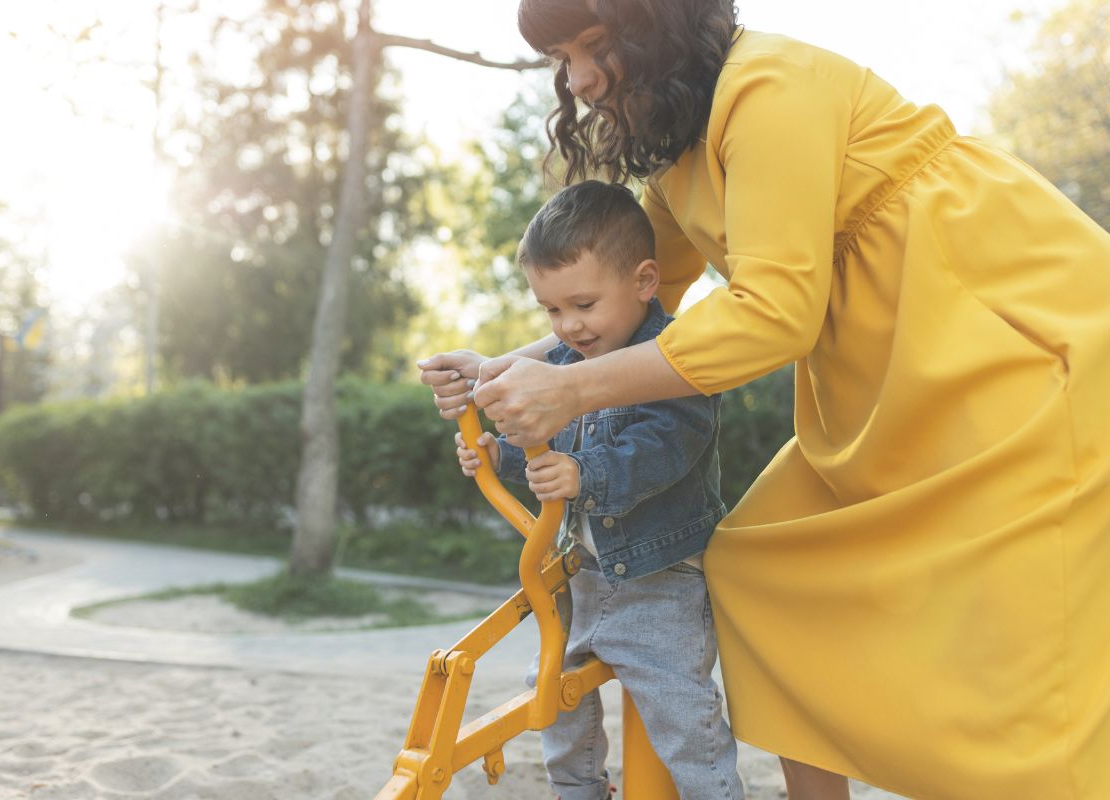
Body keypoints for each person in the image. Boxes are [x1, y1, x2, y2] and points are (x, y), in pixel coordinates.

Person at [418, 2, 1110, 799]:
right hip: (882, 384)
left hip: (1006, 337)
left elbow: (772, 316)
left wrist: (568, 389)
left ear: (658, 29)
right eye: (562, 57)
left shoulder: (767, 90)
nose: (575, 78)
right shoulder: (680, 156)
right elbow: (639, 308)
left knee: (1025, 633)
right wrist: (500, 370)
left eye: (595, 45)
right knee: (754, 566)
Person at [449, 180, 744, 800]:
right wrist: (498, 453)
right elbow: (542, 452)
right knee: (553, 698)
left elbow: (667, 447)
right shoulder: (561, 363)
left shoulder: (673, 360)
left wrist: (587, 474)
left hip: (659, 584)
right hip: (579, 579)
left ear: (643, 282)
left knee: (684, 719)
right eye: (552, 310)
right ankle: (579, 792)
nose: (568, 326)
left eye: (583, 304)